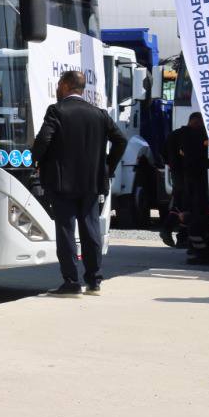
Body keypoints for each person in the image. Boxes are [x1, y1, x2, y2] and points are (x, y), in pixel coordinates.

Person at [32, 69, 127, 296]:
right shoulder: (99, 114)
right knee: (90, 228)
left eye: (59, 85)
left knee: (66, 230)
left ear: (66, 85)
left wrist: (37, 159)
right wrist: (107, 167)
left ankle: (71, 282)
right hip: (92, 182)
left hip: (62, 183)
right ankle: (94, 281)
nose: (57, 89)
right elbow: (121, 140)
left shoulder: (56, 110)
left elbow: (44, 140)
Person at [166, 112, 209, 265]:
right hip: (198, 181)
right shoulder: (201, 136)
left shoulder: (177, 134)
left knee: (185, 210)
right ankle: (199, 251)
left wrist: (173, 165)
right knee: (196, 217)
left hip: (184, 178)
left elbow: (164, 152)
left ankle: (191, 246)